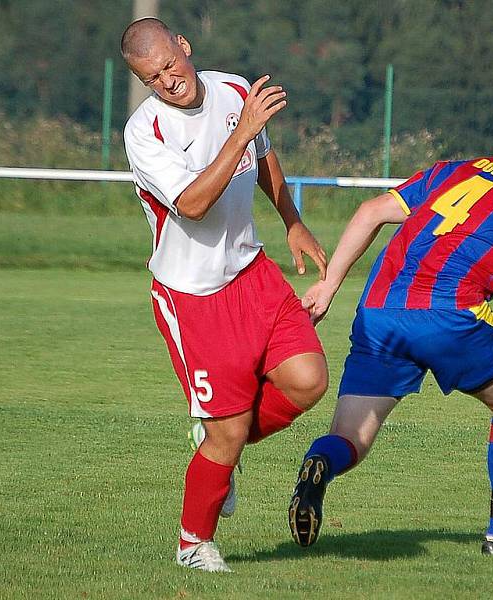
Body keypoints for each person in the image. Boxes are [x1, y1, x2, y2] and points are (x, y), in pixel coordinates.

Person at [289, 107, 493, 555]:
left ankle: (320, 462)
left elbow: (371, 211)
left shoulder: (456, 171)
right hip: (450, 317)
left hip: (379, 311)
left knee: (352, 437)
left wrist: (329, 285)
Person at [121, 18, 329, 573]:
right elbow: (191, 203)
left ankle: (220, 447)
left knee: (309, 379)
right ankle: (194, 543)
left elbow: (261, 157)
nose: (167, 80)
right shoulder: (145, 132)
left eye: (169, 65)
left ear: (184, 48)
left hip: (251, 270)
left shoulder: (234, 89)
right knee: (227, 431)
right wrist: (240, 134)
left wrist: (292, 221)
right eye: (151, 76)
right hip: (192, 295)